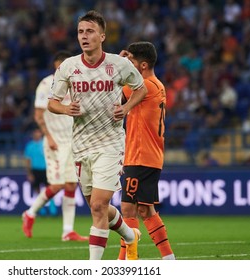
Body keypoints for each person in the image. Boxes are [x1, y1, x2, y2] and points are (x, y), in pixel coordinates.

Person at [48, 10, 148, 260]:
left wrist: (125, 108)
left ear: (102, 36)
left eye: (90, 31)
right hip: (81, 144)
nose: (84, 36)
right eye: (81, 31)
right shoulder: (69, 67)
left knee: (98, 206)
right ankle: (129, 235)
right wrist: (65, 108)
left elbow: (141, 89)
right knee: (100, 207)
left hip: (110, 143)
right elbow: (52, 103)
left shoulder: (119, 64)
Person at [117, 41, 175, 260]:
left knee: (128, 209)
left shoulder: (144, 86)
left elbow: (114, 92)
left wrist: (114, 64)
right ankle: (169, 258)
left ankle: (126, 260)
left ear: (141, 65)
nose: (128, 64)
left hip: (139, 156)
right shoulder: (157, 84)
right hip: (151, 156)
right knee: (146, 210)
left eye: (131, 61)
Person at [22, 52, 88, 241]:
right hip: (55, 142)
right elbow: (38, 114)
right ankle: (30, 213)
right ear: (55, 66)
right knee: (58, 184)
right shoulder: (46, 84)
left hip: (72, 141)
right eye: (59, 65)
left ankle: (68, 231)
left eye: (65, 65)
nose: (62, 69)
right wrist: (48, 136)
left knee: (70, 184)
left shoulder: (76, 84)